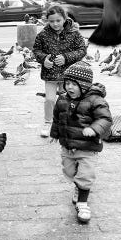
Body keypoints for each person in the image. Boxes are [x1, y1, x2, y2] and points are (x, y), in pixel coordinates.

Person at [49, 61, 112, 224]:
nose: (69, 87)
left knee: (85, 175)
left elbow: (105, 119)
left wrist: (95, 128)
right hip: (68, 146)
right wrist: (54, 133)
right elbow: (57, 117)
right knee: (69, 172)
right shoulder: (62, 99)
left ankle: (82, 203)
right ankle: (78, 185)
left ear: (83, 85)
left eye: (73, 84)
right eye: (67, 83)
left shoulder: (95, 100)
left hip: (87, 147)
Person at [32, 5, 87, 138]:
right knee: (50, 100)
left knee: (67, 100)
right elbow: (36, 50)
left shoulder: (74, 33)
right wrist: (44, 59)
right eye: (51, 21)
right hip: (50, 74)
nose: (55, 24)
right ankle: (47, 122)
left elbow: (82, 50)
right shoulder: (43, 35)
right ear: (47, 21)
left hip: (68, 75)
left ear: (64, 19)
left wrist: (66, 57)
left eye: (58, 20)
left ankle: (66, 123)